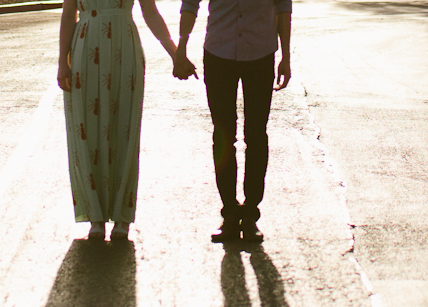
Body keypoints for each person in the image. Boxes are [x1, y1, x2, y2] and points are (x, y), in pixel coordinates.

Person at [58, 0, 180, 241]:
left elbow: (150, 11)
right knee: (87, 131)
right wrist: (63, 60)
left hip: (123, 49)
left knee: (124, 129)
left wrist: (175, 54)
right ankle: (96, 215)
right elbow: (69, 12)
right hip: (85, 46)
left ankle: (122, 215)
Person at [172, 0, 291, 242]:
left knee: (256, 135)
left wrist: (286, 57)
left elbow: (283, 7)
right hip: (219, 53)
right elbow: (190, 4)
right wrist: (181, 47)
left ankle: (250, 213)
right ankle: (229, 212)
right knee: (223, 134)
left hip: (260, 52)